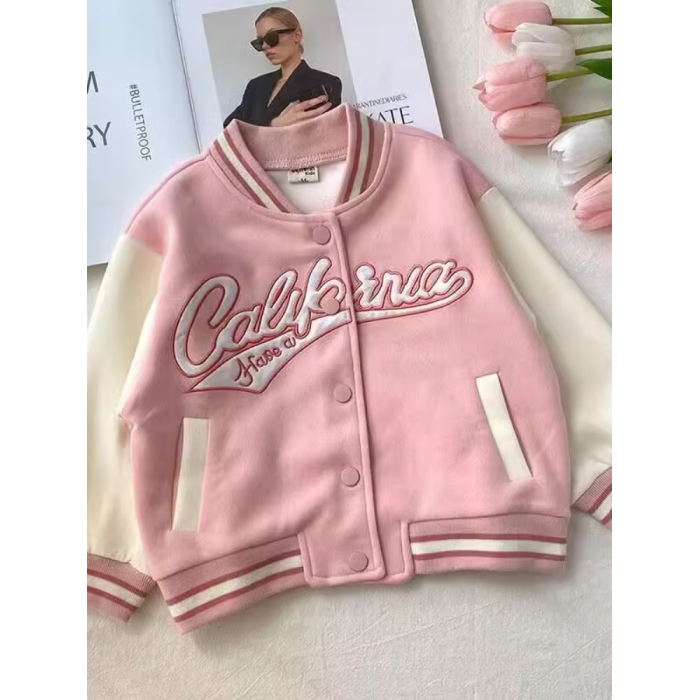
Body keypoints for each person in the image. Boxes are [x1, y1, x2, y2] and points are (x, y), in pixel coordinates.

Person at [223, 7, 342, 128]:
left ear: (297, 35)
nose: (265, 46)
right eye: (259, 42)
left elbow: (325, 134)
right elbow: (229, 128)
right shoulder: (256, 86)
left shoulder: (325, 83)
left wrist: (263, 129)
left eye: (271, 37)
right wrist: (272, 125)